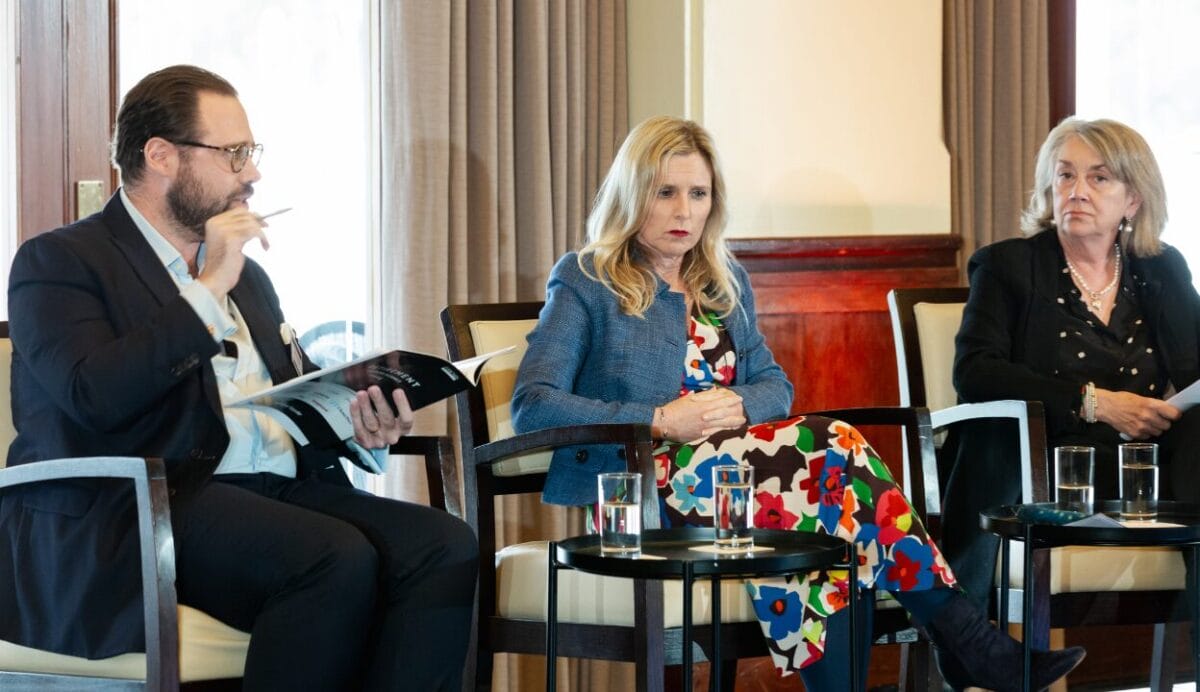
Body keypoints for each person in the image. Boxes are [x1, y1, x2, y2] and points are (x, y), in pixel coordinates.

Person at [511, 115, 1084, 690]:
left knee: (832, 523)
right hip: (645, 490)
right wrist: (661, 420)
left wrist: (738, 404)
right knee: (830, 452)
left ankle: (965, 643)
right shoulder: (587, 279)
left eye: (698, 194)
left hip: (743, 485)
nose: (684, 211)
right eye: (665, 193)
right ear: (633, 193)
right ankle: (967, 638)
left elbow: (775, 386)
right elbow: (533, 404)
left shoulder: (721, 281)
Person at [0, 65, 477, 691]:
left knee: (444, 546)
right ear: (161, 156)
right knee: (330, 557)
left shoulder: (248, 278)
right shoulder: (60, 261)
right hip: (144, 505)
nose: (252, 174)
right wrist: (207, 289)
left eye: (252, 153)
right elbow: (93, 395)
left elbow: (291, 389)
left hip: (273, 489)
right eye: (233, 154)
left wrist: (358, 418)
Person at [946, 117, 1200, 615]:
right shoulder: (1006, 266)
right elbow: (975, 371)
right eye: (1065, 175)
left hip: (1144, 472)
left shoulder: (1160, 266)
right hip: (1049, 471)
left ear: (1133, 200)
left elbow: (1194, 369)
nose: (1077, 191)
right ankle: (964, 630)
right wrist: (1095, 403)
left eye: (1099, 178)